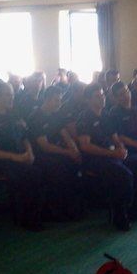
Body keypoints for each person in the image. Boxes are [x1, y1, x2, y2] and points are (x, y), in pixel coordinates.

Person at [76, 84, 137, 231]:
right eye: (97, 96)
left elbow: (115, 137)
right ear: (88, 100)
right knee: (123, 175)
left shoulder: (106, 115)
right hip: (95, 159)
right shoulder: (84, 118)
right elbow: (85, 146)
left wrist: (121, 148)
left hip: (114, 154)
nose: (102, 98)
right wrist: (113, 153)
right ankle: (120, 214)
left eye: (102, 95)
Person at [0, 82, 46, 231]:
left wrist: (29, 152)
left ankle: (37, 213)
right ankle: (28, 217)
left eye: (12, 95)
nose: (12, 98)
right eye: (8, 95)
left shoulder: (15, 114)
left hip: (18, 156)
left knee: (40, 169)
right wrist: (14, 157)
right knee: (29, 174)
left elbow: (25, 137)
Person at [27, 86, 83, 221]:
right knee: (61, 167)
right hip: (40, 155)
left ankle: (71, 206)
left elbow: (65, 134)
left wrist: (75, 150)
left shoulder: (56, 114)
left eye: (60, 100)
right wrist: (68, 152)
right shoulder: (36, 117)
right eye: (56, 100)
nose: (60, 103)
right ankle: (54, 208)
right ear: (47, 100)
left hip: (57, 151)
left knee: (77, 163)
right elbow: (45, 146)